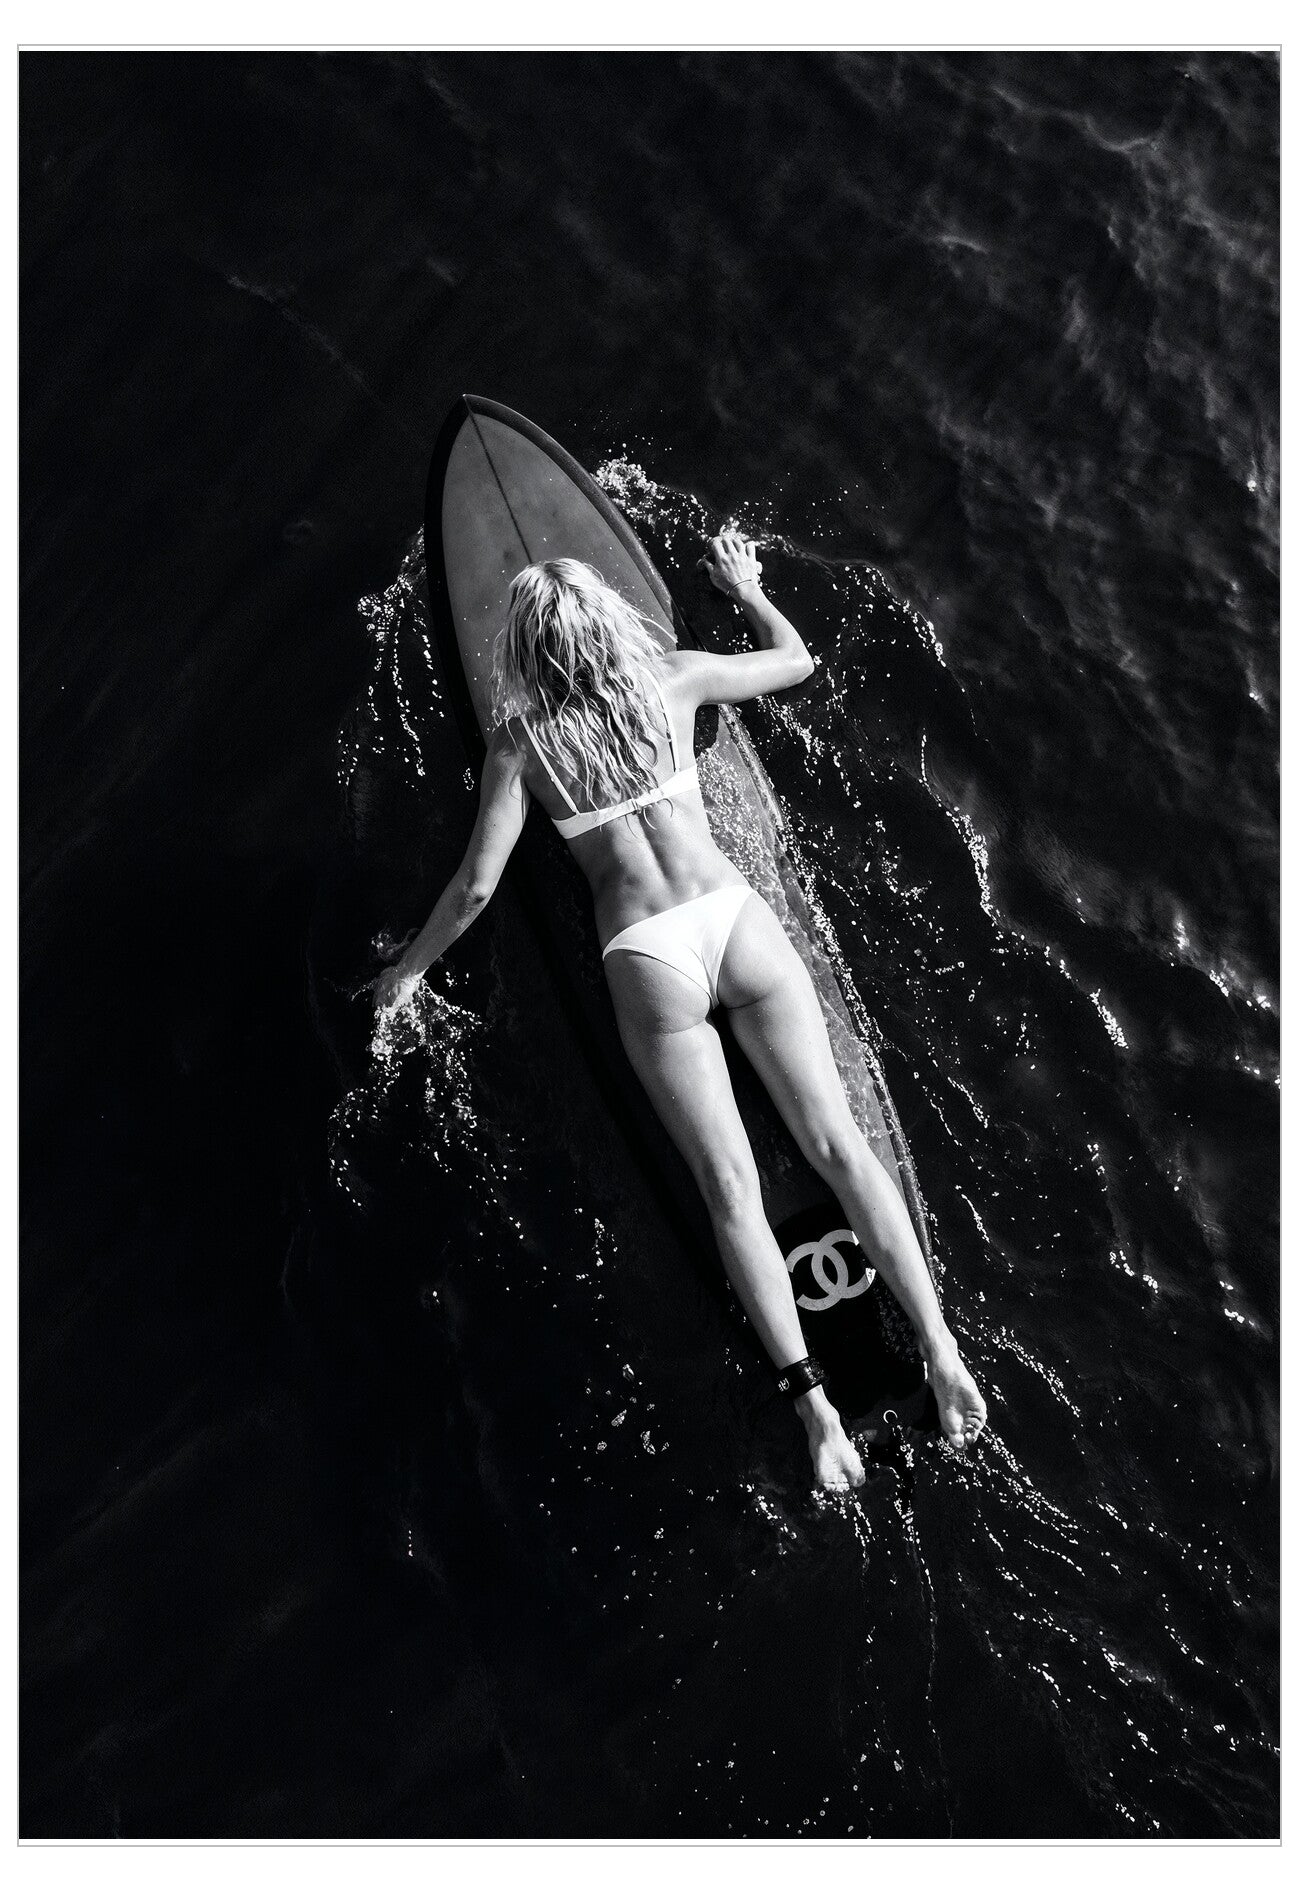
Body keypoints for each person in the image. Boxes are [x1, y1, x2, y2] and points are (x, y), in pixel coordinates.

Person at [375, 537, 986, 1487]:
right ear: (608, 624)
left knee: (729, 1189)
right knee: (837, 1146)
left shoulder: (522, 745)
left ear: (526, 652)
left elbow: (477, 888)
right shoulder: (675, 677)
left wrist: (407, 970)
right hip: (735, 925)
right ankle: (940, 1350)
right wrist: (746, 589)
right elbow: (794, 661)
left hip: (649, 957)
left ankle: (817, 1415)